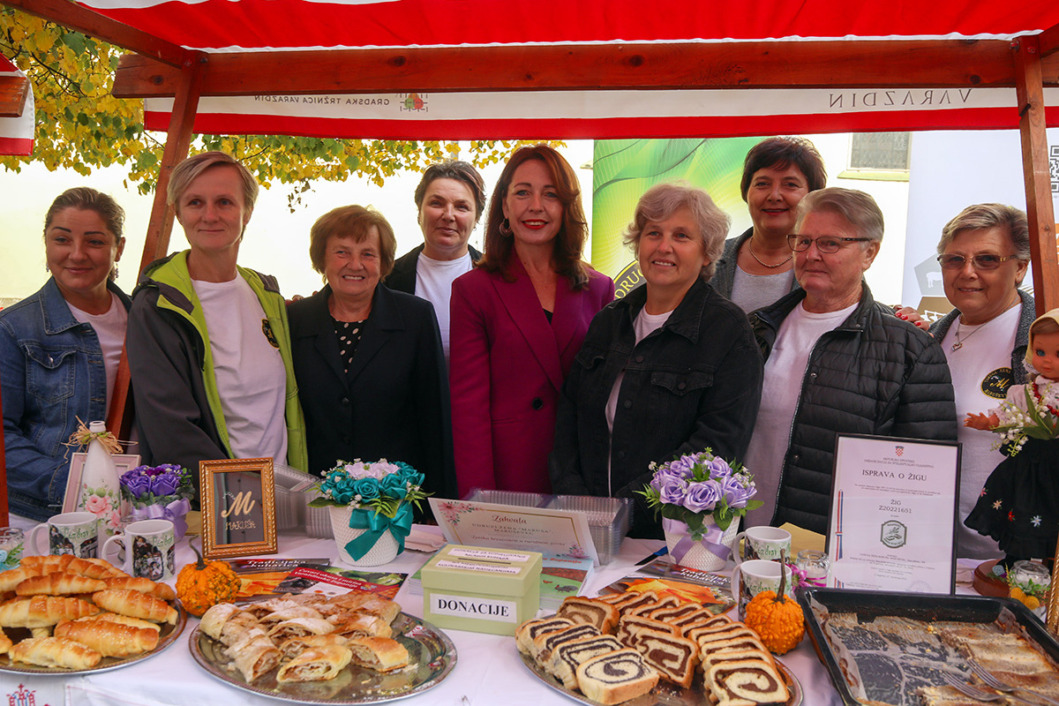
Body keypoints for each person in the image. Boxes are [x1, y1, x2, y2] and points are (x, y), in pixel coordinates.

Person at [549, 184, 763, 538]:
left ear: (707, 252)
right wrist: (581, 503)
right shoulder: (609, 321)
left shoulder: (728, 332)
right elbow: (569, 419)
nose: (664, 247)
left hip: (665, 536)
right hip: (586, 525)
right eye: (653, 233)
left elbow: (717, 446)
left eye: (681, 236)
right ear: (639, 243)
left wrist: (623, 510)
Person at [744, 187, 957, 534]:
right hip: (734, 541)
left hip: (832, 556)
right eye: (802, 240)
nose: (811, 254)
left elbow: (926, 479)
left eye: (830, 243)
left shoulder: (910, 350)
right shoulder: (755, 329)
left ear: (869, 252)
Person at [126, 151, 307, 493]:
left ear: (247, 212)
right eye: (195, 202)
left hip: (284, 497)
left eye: (224, 202)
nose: (210, 215)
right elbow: (171, 431)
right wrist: (247, 495)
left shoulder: (265, 293)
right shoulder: (156, 306)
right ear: (178, 212)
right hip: (216, 509)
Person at [449, 144, 615, 497]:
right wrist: (480, 501)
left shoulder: (599, 289)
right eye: (522, 192)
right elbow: (468, 411)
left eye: (550, 194)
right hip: (509, 475)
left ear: (567, 207)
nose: (535, 206)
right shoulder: (472, 290)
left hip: (580, 474)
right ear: (505, 207)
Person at [288, 205, 457, 506]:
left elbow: (435, 416)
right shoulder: (296, 320)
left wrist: (439, 504)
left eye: (368, 254)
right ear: (322, 259)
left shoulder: (415, 317)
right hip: (316, 497)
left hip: (397, 501)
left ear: (384, 262)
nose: (355, 264)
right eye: (342, 252)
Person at [1, 188, 129, 520]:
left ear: (119, 249)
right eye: (62, 239)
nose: (76, 254)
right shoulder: (14, 329)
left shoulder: (145, 320)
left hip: (132, 511)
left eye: (95, 241)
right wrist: (75, 484)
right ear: (46, 243)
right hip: (40, 516)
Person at [927, 204, 1035, 560]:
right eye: (954, 259)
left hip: (1010, 560)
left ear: (1020, 267)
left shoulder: (1044, 346)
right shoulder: (927, 341)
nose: (967, 272)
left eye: (987, 260)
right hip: (929, 552)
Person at [964, 309, 1059, 567]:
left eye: (1057, 354)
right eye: (1040, 352)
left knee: (1051, 515)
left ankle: (1051, 565)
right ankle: (1014, 559)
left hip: (1054, 470)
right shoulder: (1023, 392)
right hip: (1025, 466)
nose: (1047, 361)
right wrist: (987, 423)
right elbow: (1007, 415)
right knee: (1019, 509)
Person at [711, 137, 827, 313]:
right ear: (746, 192)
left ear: (812, 196)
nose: (774, 196)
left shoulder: (831, 263)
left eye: (790, 185)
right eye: (762, 184)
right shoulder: (709, 258)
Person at [385, 161, 485, 360]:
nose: (448, 215)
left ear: (476, 219)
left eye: (461, 207)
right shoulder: (387, 279)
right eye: (437, 203)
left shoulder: (498, 277)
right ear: (419, 212)